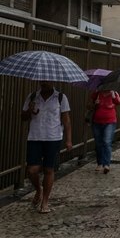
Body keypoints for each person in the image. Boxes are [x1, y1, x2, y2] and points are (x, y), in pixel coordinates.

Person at [20, 81, 72, 214]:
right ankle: (38, 190)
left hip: (53, 137)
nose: (44, 83)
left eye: (47, 80)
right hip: (35, 137)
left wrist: (68, 140)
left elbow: (66, 119)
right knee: (32, 170)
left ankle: (45, 201)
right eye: (42, 80)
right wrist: (29, 110)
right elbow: (23, 117)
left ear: (53, 81)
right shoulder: (32, 97)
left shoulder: (61, 97)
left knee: (49, 169)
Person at [88, 88, 120, 174]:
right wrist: (95, 104)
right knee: (98, 143)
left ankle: (106, 164)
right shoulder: (97, 92)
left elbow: (118, 102)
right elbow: (89, 105)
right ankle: (100, 163)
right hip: (97, 122)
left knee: (107, 142)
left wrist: (113, 95)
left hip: (110, 121)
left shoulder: (114, 92)